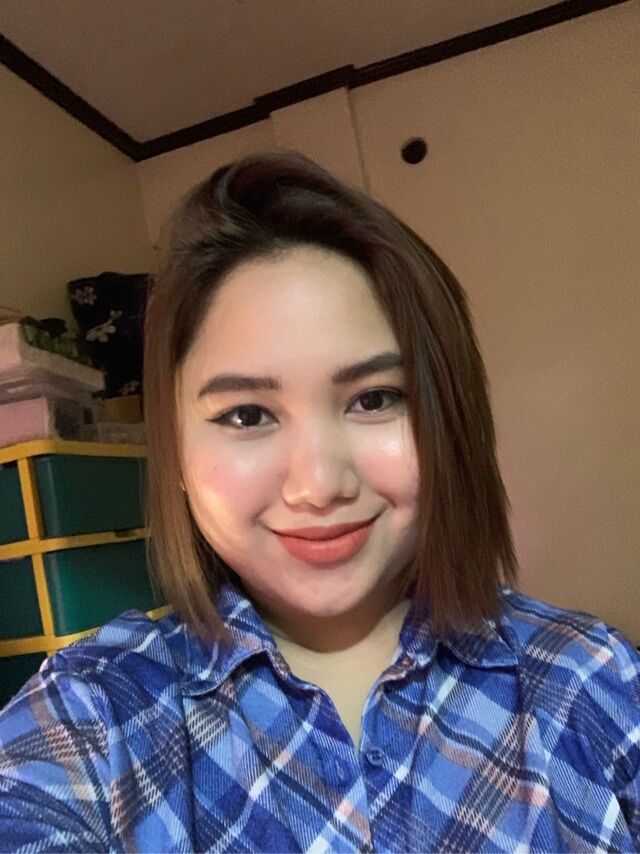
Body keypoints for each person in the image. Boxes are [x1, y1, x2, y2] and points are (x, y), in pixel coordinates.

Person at [0, 151, 638, 853]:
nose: (319, 484)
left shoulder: (588, 679)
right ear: (174, 451)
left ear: (448, 421)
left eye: (375, 399)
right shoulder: (92, 714)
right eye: (246, 414)